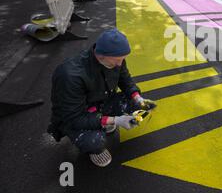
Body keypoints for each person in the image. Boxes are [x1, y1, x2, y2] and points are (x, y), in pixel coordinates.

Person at [47, 29, 156, 167]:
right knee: (95, 141)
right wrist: (115, 120)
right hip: (79, 114)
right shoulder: (70, 76)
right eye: (118, 60)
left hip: (101, 101)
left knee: (137, 105)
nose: (120, 64)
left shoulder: (115, 59)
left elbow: (125, 79)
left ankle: (104, 122)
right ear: (102, 55)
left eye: (123, 59)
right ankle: (95, 145)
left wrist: (138, 98)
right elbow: (74, 118)